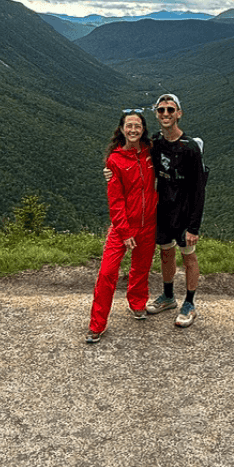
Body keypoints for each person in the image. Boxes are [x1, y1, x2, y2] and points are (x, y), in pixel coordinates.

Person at [86, 109, 157, 343]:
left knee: (141, 268)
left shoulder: (151, 152)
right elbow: (115, 201)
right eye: (129, 126)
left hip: (149, 224)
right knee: (107, 273)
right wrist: (125, 231)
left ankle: (137, 304)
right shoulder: (115, 160)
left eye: (137, 126)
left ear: (143, 129)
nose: (134, 130)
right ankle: (97, 324)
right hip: (122, 227)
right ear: (122, 129)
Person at [145, 93, 207, 328]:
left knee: (188, 255)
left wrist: (194, 226)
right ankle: (169, 297)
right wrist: (110, 171)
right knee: (166, 253)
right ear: (157, 114)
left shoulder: (190, 148)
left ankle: (189, 303)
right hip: (163, 210)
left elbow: (199, 190)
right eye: (161, 110)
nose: (165, 114)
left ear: (179, 113)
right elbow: (133, 159)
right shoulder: (155, 142)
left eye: (170, 110)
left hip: (185, 211)